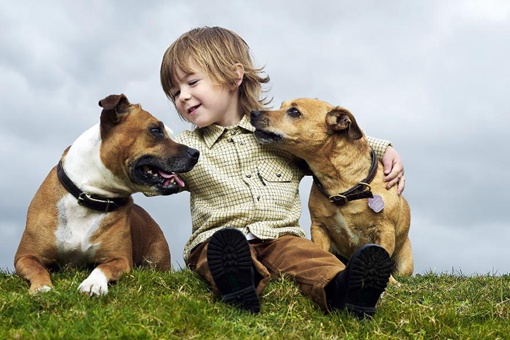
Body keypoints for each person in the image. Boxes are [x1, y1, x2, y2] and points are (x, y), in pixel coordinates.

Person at [160, 26, 405, 318]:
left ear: (234, 77)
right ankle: (238, 286)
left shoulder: (281, 138)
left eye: (191, 82)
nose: (182, 97)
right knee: (216, 254)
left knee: (311, 258)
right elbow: (148, 161)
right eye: (175, 93)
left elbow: (329, 145)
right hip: (220, 238)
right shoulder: (184, 147)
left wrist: (382, 147)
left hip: (281, 238)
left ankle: (344, 290)